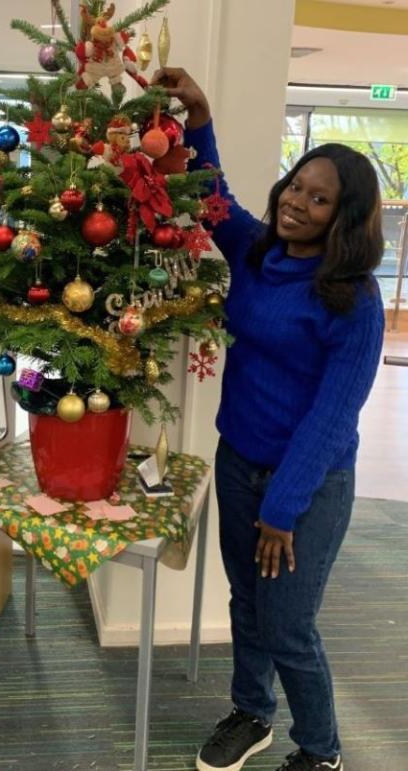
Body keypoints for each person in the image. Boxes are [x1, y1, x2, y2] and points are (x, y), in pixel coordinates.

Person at [151, 69, 384, 771]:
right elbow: (212, 195)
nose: (298, 203)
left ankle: (321, 750)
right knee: (246, 605)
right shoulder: (258, 252)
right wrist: (199, 116)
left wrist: (282, 508)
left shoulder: (354, 299)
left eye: (320, 199)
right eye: (296, 187)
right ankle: (251, 714)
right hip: (238, 461)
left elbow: (332, 415)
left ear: (342, 216)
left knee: (288, 623)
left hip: (304, 486)